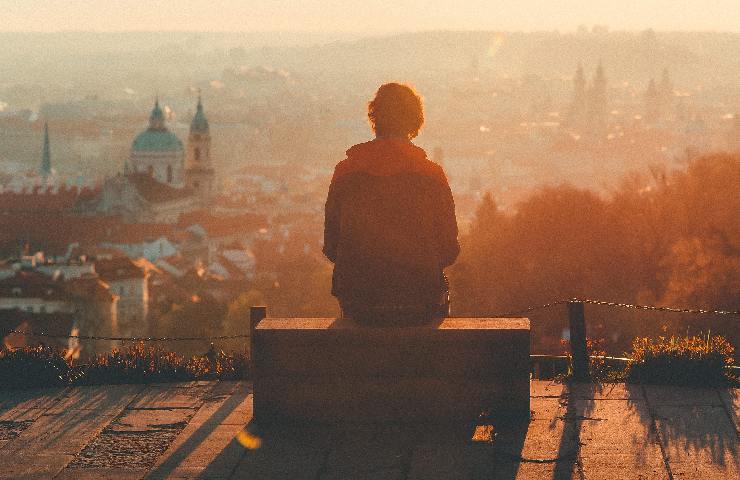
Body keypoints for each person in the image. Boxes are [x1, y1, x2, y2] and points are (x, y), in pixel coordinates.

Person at [323, 82, 459, 325]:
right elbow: (449, 249)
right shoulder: (432, 175)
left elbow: (332, 246)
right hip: (419, 302)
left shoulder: (345, 172)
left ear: (375, 118)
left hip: (360, 303)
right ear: (414, 121)